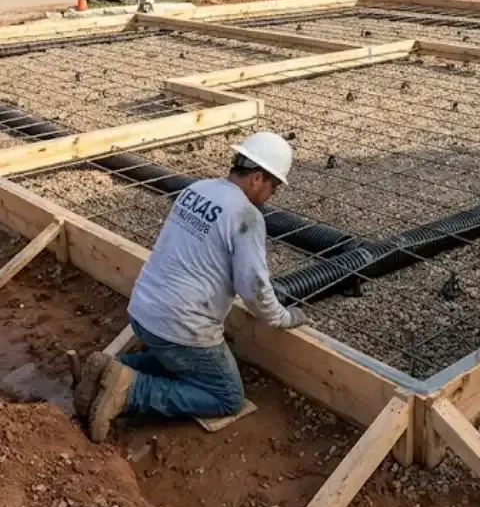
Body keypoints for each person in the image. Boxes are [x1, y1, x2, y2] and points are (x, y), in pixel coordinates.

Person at [75, 132, 309, 443]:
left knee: (178, 362)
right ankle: (131, 390)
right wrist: (284, 317)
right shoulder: (246, 216)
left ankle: (107, 369)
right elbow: (253, 289)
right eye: (273, 186)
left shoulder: (197, 189)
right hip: (181, 326)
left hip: (143, 312)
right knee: (226, 397)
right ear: (256, 178)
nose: (271, 194)